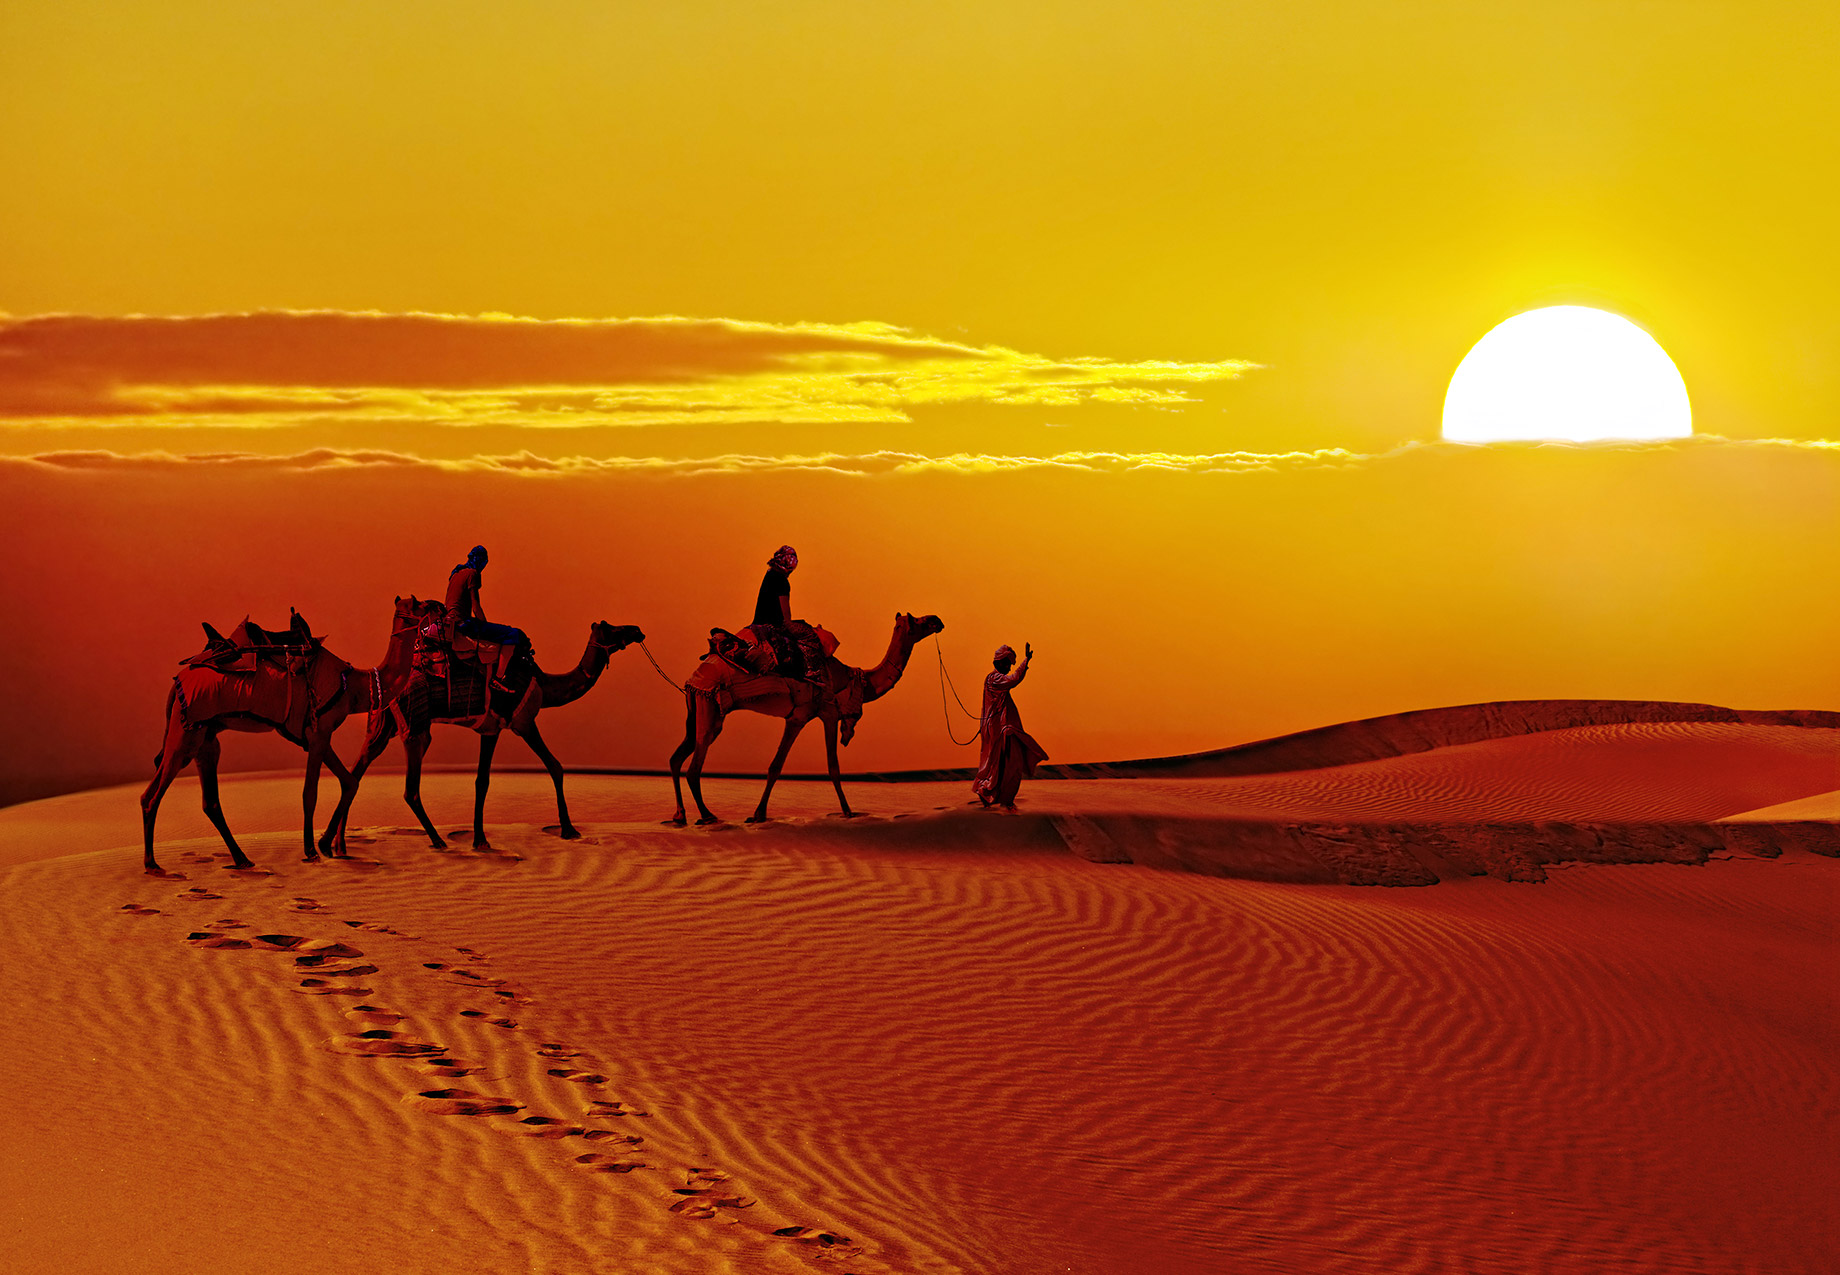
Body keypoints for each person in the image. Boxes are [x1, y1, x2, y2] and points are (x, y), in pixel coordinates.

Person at [972, 643, 1048, 810]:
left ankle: (1002, 798)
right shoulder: (994, 679)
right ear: (998, 663)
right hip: (1000, 730)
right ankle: (992, 795)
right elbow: (1014, 679)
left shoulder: (995, 680)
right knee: (1002, 764)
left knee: (1009, 764)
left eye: (1009, 664)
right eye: (1006, 664)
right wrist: (1026, 661)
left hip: (1004, 729)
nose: (1007, 667)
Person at [443, 545, 528, 683]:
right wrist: (484, 626)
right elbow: (476, 606)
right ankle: (499, 678)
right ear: (480, 561)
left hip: (452, 622)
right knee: (513, 634)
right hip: (462, 624)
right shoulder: (472, 574)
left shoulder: (456, 574)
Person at [750, 545, 825, 686]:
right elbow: (786, 614)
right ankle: (812, 672)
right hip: (773, 624)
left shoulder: (770, 573)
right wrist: (794, 624)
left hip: (759, 621)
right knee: (810, 635)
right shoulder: (782, 581)